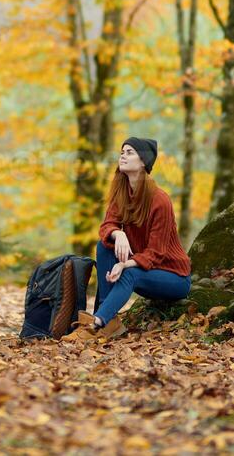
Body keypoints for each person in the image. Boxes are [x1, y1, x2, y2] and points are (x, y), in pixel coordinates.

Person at [68, 137, 191, 342]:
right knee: (105, 245)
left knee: (130, 273)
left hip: (173, 276)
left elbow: (156, 254)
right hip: (145, 269)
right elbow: (107, 226)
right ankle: (109, 320)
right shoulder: (122, 193)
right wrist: (119, 234)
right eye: (122, 151)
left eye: (130, 152)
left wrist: (125, 264)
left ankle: (96, 324)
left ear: (143, 162)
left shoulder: (160, 200)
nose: (123, 156)